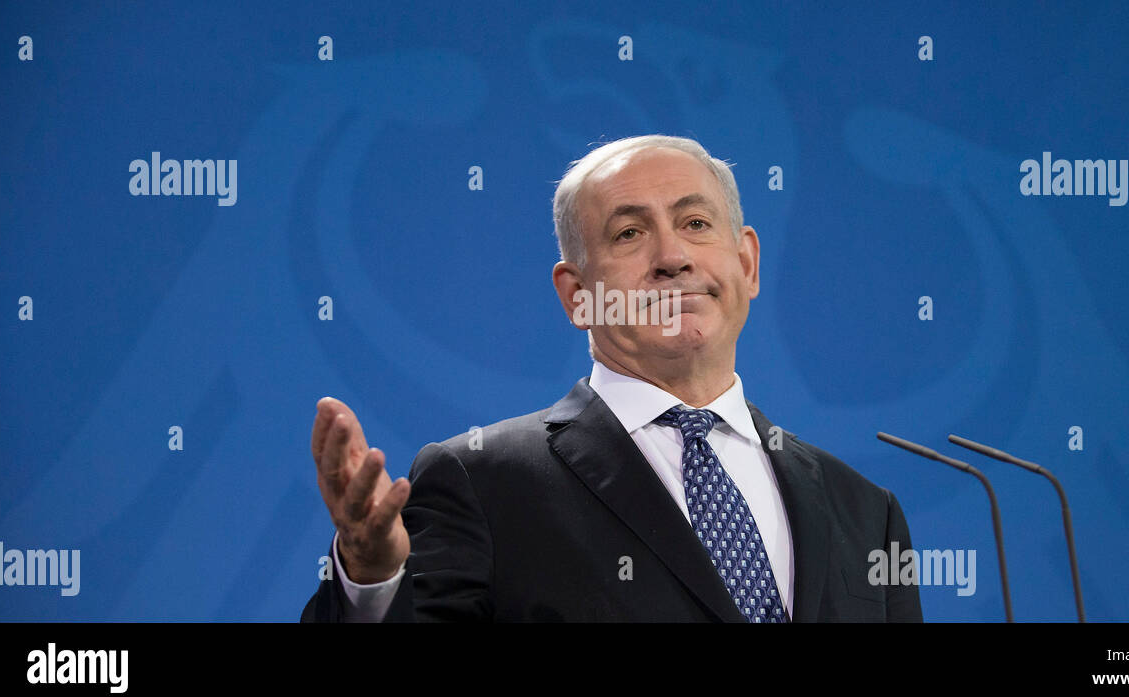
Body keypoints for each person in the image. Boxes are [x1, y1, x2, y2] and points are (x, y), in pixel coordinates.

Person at [302, 135, 922, 622]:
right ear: (576, 296)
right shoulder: (483, 481)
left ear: (747, 263)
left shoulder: (865, 512)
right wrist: (374, 581)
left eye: (697, 223)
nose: (673, 257)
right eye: (629, 233)